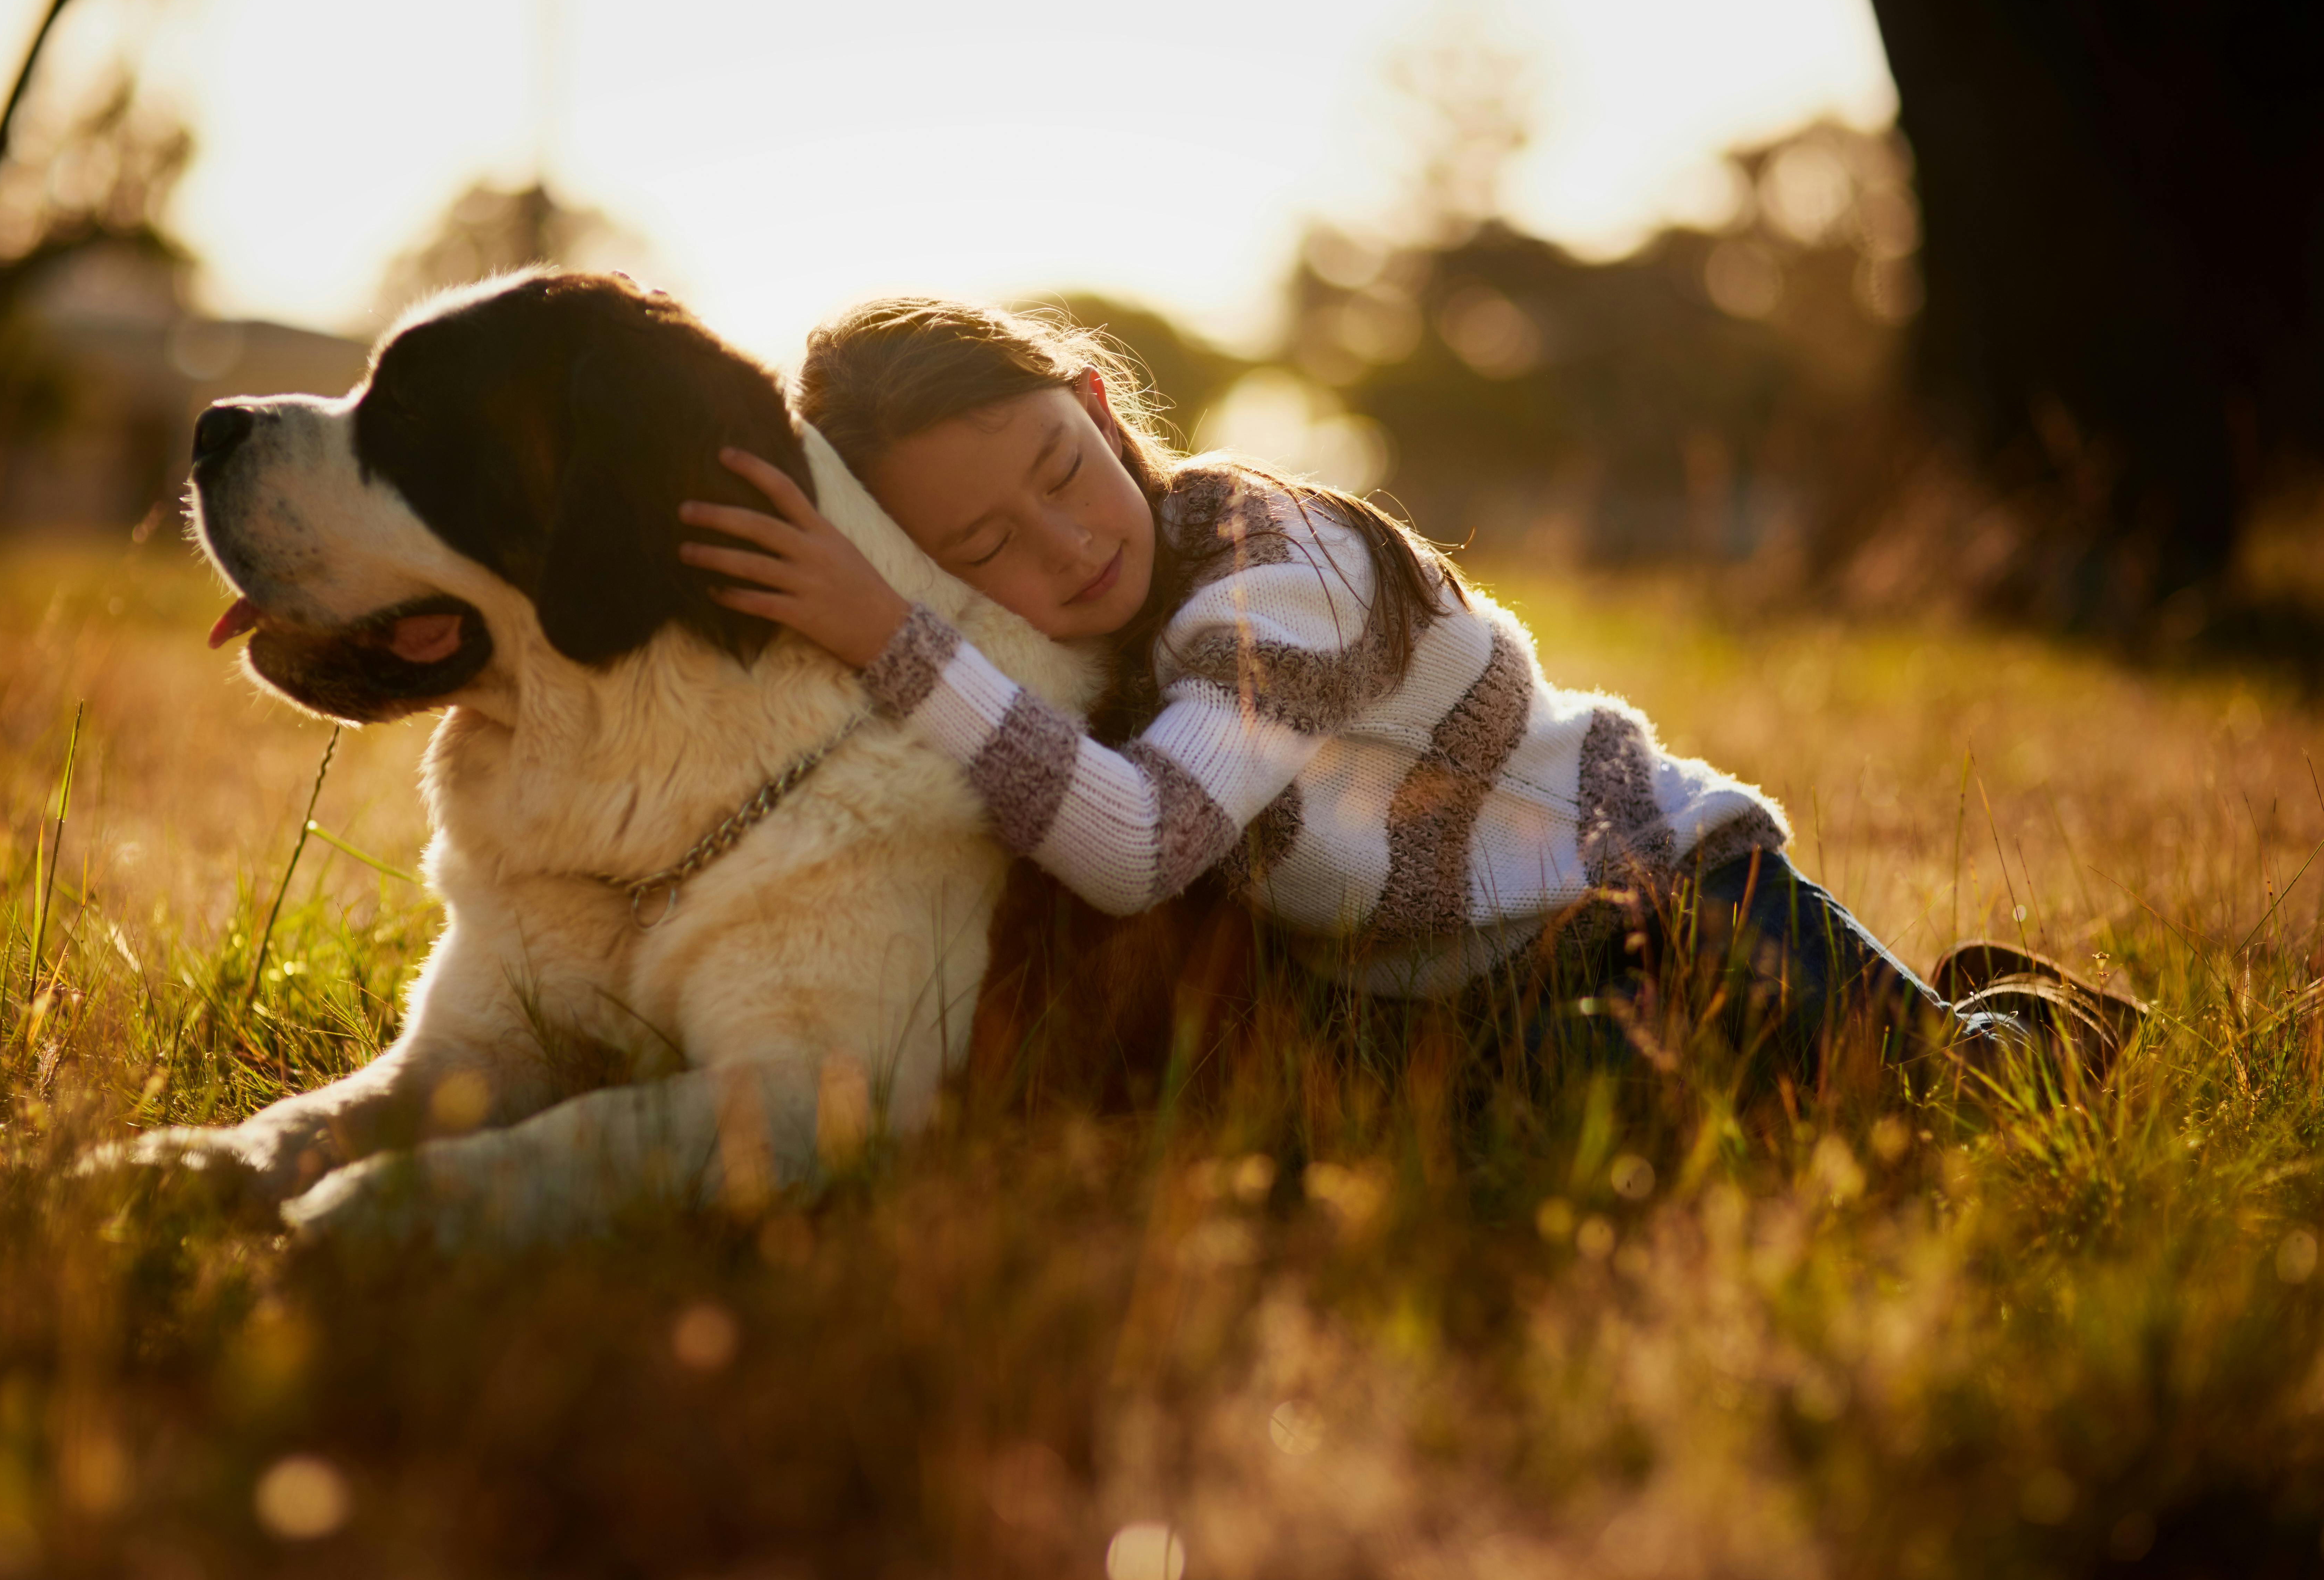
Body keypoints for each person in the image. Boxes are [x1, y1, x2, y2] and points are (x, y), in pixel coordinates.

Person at [678, 298, 2126, 1082]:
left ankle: (2023, 1030)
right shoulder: (1042, 646)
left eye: (1061, 471)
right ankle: (1913, 1001)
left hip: (1655, 895)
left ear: (1103, 407)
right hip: (1434, 1002)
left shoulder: (1276, 565)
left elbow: (1141, 844)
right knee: (1657, 1120)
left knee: (1939, 1107)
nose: (1062, 546)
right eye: (983, 546)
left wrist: (891, 638)